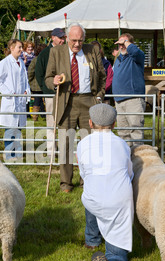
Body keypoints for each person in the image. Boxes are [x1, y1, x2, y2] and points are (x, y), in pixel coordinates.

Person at [76, 103, 134, 261]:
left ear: (90, 123)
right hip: (119, 201)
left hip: (93, 198)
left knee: (92, 197)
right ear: (114, 124)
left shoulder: (82, 144)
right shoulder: (122, 144)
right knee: (117, 237)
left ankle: (92, 240)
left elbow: (83, 173)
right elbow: (129, 172)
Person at [45, 23, 106, 193]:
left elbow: (102, 75)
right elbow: (47, 78)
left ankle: (86, 181)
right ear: (66, 38)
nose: (77, 44)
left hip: (89, 101)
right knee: (65, 144)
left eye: (80, 40)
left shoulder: (92, 50)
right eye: (73, 40)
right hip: (66, 102)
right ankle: (66, 183)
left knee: (88, 144)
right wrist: (54, 81)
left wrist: (99, 96)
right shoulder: (56, 52)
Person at [0, 39, 31, 161]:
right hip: (11, 101)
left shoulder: (21, 62)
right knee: (10, 128)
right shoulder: (5, 63)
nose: (21, 50)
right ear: (12, 48)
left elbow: (25, 80)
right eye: (19, 47)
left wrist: (27, 91)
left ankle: (17, 153)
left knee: (18, 129)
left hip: (20, 100)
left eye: (21, 47)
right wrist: (9, 93)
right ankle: (9, 155)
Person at [35, 27, 66, 157]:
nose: (62, 40)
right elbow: (39, 74)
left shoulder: (66, 51)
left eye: (64, 38)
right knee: (51, 122)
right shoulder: (44, 54)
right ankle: (51, 151)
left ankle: (65, 150)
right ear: (53, 37)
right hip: (51, 94)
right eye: (60, 38)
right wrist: (47, 89)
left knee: (65, 122)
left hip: (65, 93)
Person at [112, 33, 146, 147]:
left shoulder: (137, 57)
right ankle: (126, 160)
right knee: (123, 133)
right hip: (119, 100)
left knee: (135, 131)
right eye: (119, 44)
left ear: (130, 44)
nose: (121, 46)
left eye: (124, 44)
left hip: (133, 99)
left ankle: (138, 161)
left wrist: (126, 43)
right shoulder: (118, 59)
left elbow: (135, 52)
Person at [27, 43, 46, 121]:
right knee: (40, 101)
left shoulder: (35, 59)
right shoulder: (45, 59)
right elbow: (31, 72)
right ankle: (38, 116)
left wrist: (30, 81)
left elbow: (30, 71)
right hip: (42, 84)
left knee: (38, 101)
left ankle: (36, 117)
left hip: (37, 85)